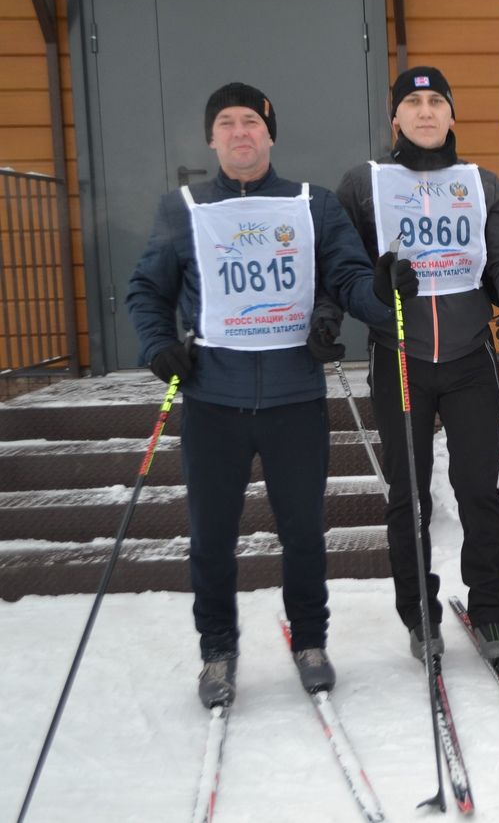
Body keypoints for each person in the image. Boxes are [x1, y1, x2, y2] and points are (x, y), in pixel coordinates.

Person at [127, 82, 418, 708]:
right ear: (211, 138)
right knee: (210, 536)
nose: (240, 133)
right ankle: (217, 651)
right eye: (227, 123)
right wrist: (158, 347)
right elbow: (147, 290)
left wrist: (386, 291)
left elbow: (344, 277)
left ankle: (310, 641)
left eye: (252, 123)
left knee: (304, 532)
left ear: (271, 134)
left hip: (293, 398)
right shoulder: (184, 208)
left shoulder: (310, 204)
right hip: (213, 399)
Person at [335, 66, 499, 663]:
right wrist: (368, 294)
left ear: (452, 115)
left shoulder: (482, 183)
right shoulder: (363, 184)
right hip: (400, 357)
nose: (425, 112)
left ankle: (490, 611)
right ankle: (419, 612)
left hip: (472, 356)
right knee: (409, 495)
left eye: (436, 102)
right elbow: (340, 269)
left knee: (479, 488)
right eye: (413, 103)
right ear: (395, 117)